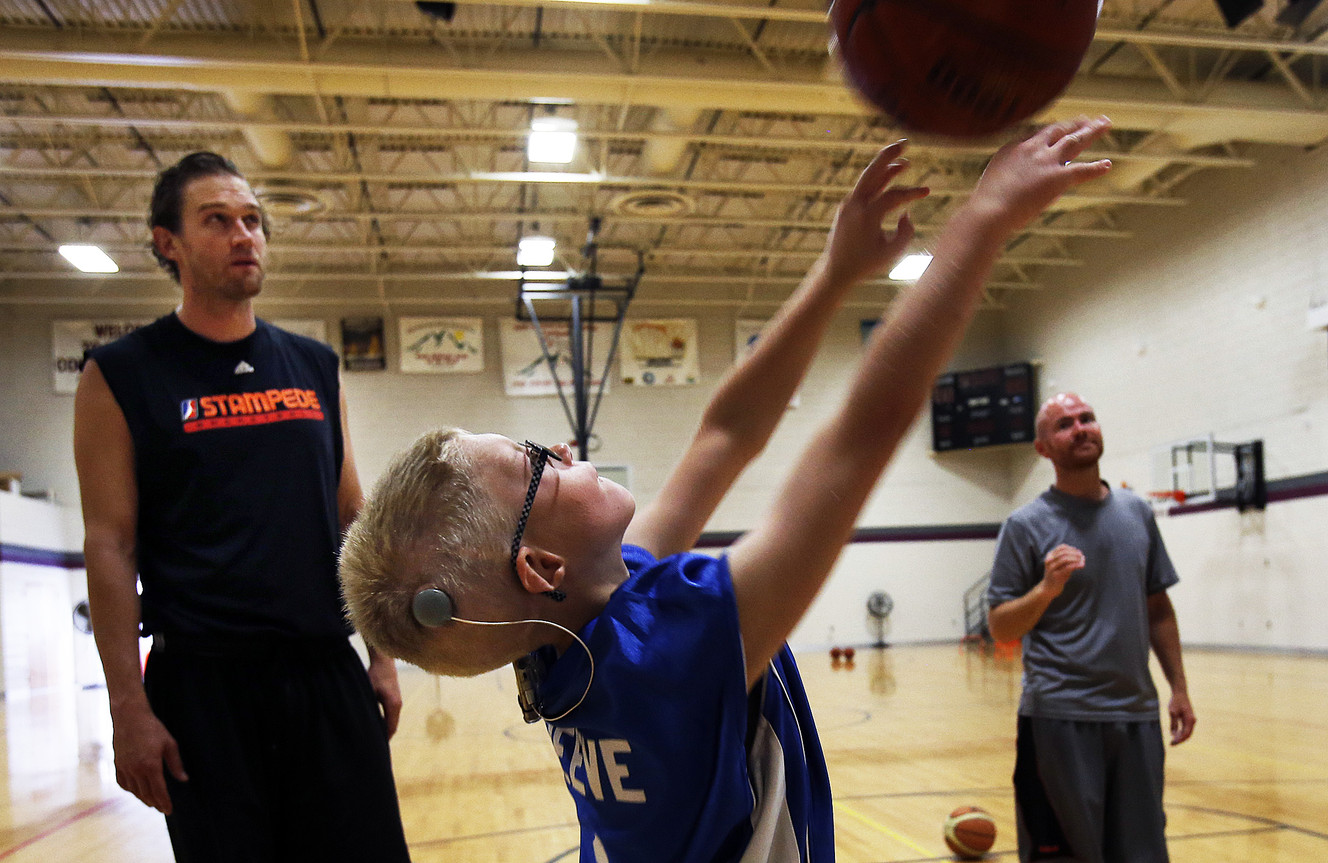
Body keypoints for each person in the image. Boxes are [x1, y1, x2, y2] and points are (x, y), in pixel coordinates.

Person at [340, 117, 1115, 863]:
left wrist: (836, 273)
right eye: (538, 460)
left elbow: (724, 434)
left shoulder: (583, 644)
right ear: (541, 566)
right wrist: (981, 222)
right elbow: (860, 437)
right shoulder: (662, 655)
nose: (567, 446)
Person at [73, 152, 412, 863]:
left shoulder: (314, 365)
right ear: (168, 242)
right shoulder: (121, 374)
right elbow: (110, 544)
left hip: (324, 671)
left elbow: (355, 513)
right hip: (203, 691)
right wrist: (128, 706)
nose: (244, 235)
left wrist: (384, 654)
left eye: (253, 220)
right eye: (218, 220)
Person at [987, 392, 1197, 863]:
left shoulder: (1137, 513)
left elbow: (1158, 608)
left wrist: (1178, 688)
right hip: (1059, 716)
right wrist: (1046, 591)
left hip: (1136, 716)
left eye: (1087, 419)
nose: (1080, 428)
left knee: (1143, 853)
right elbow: (1000, 626)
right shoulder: (1025, 525)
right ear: (1043, 449)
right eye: (1064, 424)